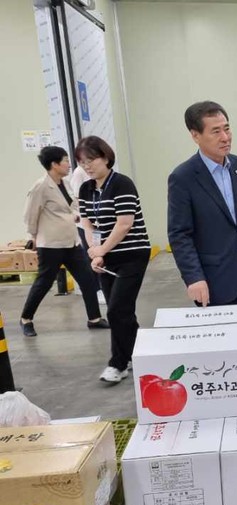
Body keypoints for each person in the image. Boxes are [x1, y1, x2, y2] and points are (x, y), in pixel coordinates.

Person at [168, 101, 237, 307]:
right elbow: (180, 234)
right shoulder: (183, 178)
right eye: (216, 131)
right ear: (195, 135)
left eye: (227, 129)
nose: (225, 137)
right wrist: (194, 277)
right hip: (214, 279)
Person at [76, 136, 151, 384]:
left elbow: (124, 224)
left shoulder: (122, 183)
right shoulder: (86, 189)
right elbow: (88, 223)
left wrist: (101, 250)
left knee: (117, 308)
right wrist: (95, 250)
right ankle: (139, 352)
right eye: (82, 162)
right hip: (107, 257)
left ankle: (118, 364)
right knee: (122, 311)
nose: (87, 166)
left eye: (91, 159)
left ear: (106, 157)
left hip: (132, 254)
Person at [19, 146, 109, 337]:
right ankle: (26, 319)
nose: (69, 164)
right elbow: (30, 214)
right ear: (54, 164)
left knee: (87, 279)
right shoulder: (41, 187)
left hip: (71, 242)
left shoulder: (65, 183)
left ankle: (94, 318)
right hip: (51, 244)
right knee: (44, 283)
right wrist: (31, 237)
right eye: (66, 160)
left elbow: (73, 205)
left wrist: (77, 215)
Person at [70, 161, 106, 306]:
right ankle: (97, 290)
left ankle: (102, 288)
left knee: (100, 255)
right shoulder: (79, 173)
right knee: (91, 255)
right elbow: (77, 199)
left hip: (97, 223)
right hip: (86, 224)